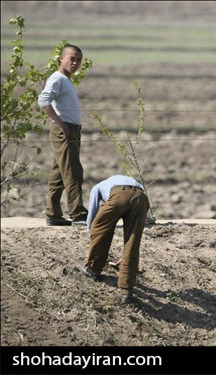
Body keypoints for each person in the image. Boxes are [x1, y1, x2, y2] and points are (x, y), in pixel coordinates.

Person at [76, 175, 149, 303]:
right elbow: (141, 197)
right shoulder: (131, 181)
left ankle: (93, 270)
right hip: (141, 197)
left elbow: (92, 214)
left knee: (100, 228)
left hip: (119, 196)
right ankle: (126, 292)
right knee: (132, 243)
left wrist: (91, 232)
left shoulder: (97, 187)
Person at [38, 44, 88, 226]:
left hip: (70, 129)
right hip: (65, 130)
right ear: (62, 58)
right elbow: (43, 101)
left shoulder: (65, 80)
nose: (75, 63)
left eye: (78, 60)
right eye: (71, 58)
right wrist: (62, 125)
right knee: (73, 171)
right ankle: (78, 214)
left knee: (59, 173)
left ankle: (53, 214)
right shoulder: (57, 79)